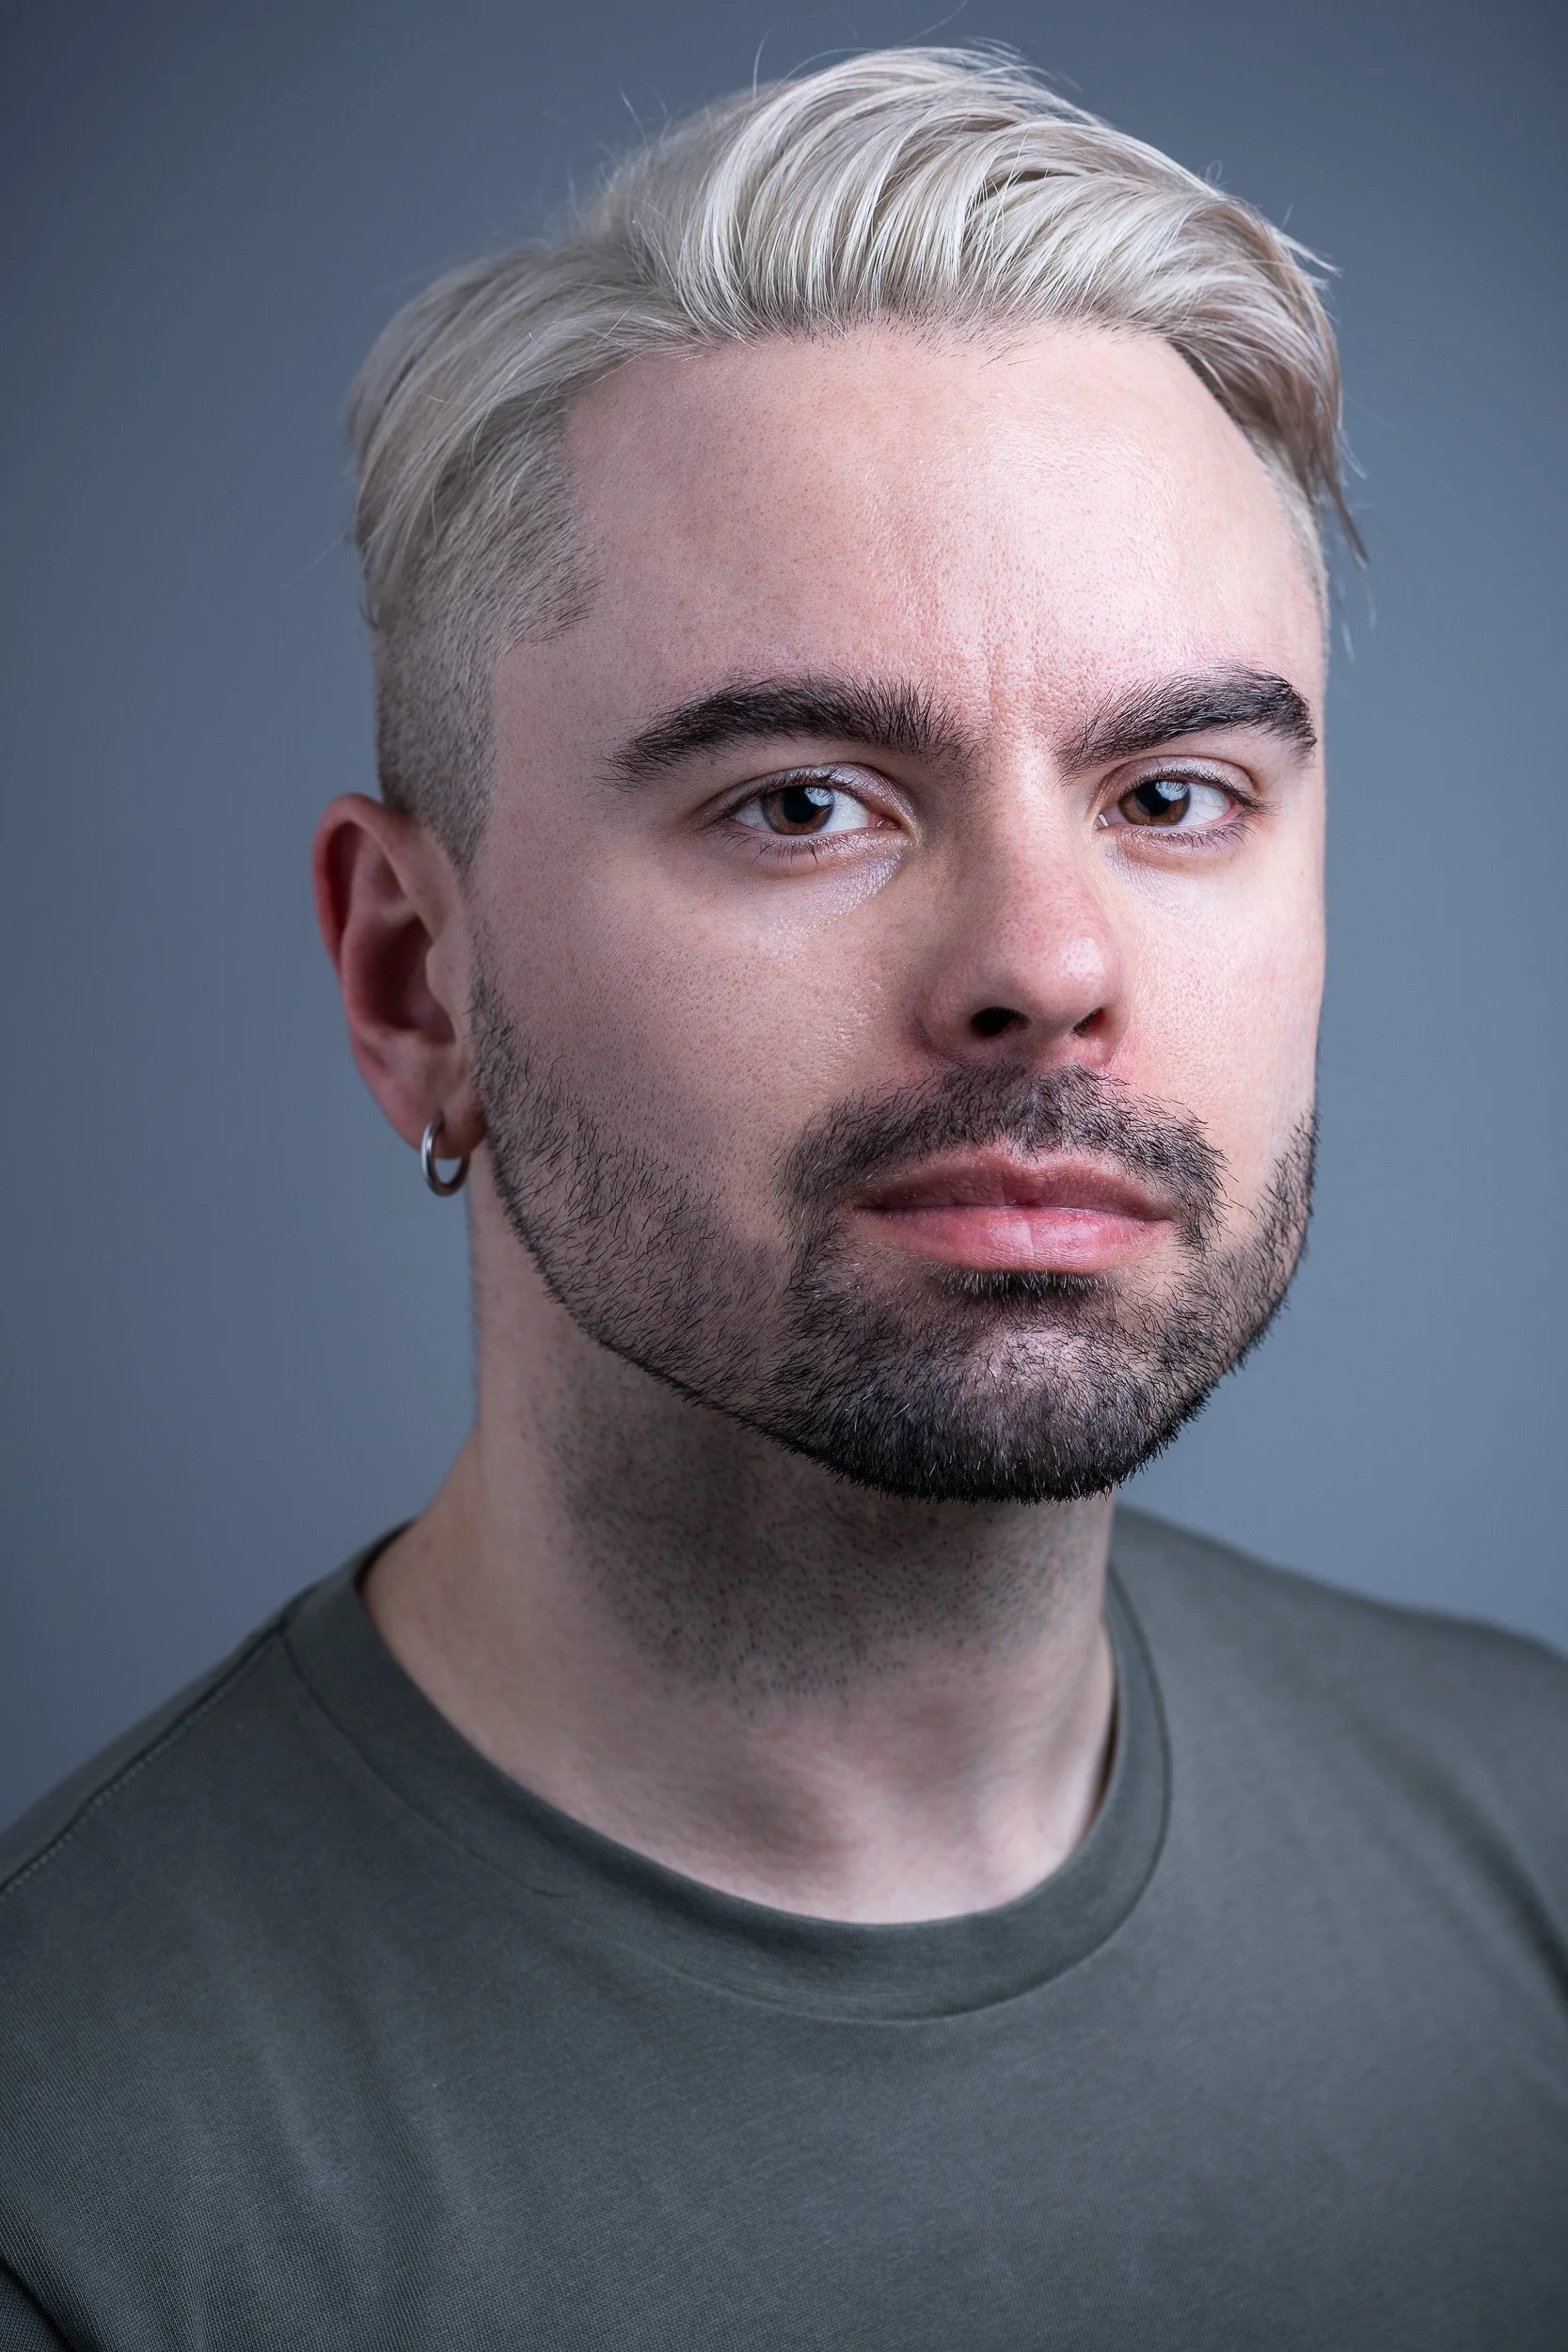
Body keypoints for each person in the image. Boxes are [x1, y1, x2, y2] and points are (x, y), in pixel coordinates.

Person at [2, 45, 1564, 2350]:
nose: (1044, 965)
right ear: (415, 975)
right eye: (802, 802)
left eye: (1173, 791)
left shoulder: (1532, 1832)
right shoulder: (77, 2187)